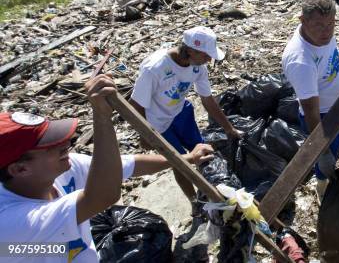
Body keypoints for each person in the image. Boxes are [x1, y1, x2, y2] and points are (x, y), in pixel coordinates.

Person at [0, 74, 214, 263]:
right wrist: (102, 117)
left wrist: (188, 158)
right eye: (51, 147)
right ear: (19, 169)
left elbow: (129, 165)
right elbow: (104, 195)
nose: (66, 144)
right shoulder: (11, 222)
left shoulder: (58, 169)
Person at [130, 26, 243, 210]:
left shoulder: (198, 67)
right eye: (206, 55)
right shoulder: (155, 68)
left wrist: (229, 128)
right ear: (190, 50)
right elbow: (136, 104)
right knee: (180, 163)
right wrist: (145, 135)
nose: (209, 59)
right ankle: (195, 203)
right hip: (159, 125)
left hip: (182, 113)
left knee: (203, 153)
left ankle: (212, 192)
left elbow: (207, 99)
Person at [282, 0, 339, 201]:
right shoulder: (301, 61)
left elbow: (332, 59)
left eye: (331, 24)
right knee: (326, 162)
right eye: (319, 25)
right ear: (302, 21)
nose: (326, 32)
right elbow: (310, 111)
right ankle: (323, 190)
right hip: (324, 117)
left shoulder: (322, 34)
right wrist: (322, 149)